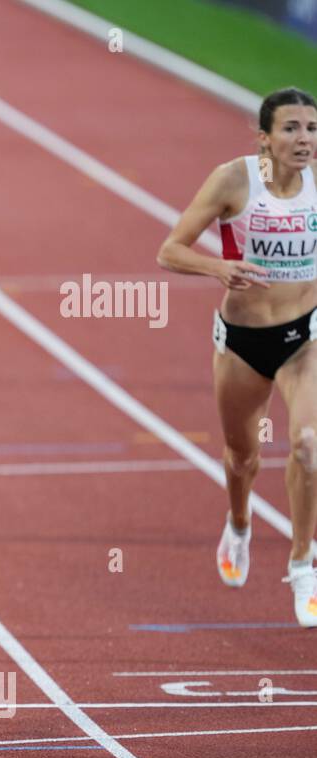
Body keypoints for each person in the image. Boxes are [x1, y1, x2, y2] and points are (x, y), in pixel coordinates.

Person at [157, 87, 317, 626]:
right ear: (265, 137)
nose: (304, 139)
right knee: (242, 458)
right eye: (292, 128)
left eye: (312, 129)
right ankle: (240, 523)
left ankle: (302, 564)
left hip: (305, 338)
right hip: (243, 342)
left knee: (308, 445)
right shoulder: (234, 179)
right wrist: (218, 269)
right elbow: (171, 249)